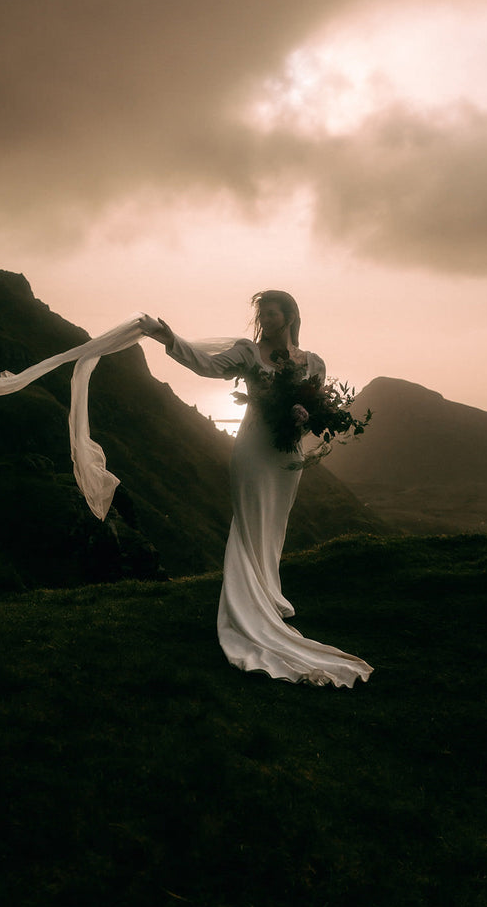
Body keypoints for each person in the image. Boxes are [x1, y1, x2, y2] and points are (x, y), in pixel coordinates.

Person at [139, 291, 373, 688]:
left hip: (288, 456)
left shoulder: (312, 362)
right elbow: (208, 365)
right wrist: (169, 338)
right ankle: (246, 610)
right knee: (249, 524)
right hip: (252, 450)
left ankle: (267, 597)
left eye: (271, 311)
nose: (264, 317)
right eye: (261, 312)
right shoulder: (248, 352)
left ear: (290, 316)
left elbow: (317, 406)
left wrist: (306, 415)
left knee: (273, 527)